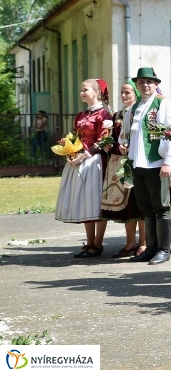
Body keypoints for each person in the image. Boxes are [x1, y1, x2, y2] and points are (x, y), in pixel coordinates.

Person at [122, 68, 171, 265]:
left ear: (156, 84)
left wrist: (167, 162)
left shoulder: (163, 103)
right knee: (146, 208)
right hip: (138, 164)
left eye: (149, 81)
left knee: (161, 207)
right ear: (137, 85)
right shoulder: (134, 108)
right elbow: (125, 133)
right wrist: (124, 144)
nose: (145, 85)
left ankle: (164, 250)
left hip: (157, 164)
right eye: (141, 82)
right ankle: (150, 248)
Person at [56, 79, 113, 258]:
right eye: (80, 90)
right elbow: (75, 138)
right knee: (85, 201)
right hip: (79, 160)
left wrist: (83, 155)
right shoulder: (80, 115)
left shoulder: (104, 115)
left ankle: (98, 243)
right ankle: (89, 242)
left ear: (96, 92)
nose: (81, 93)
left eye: (85, 90)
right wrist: (70, 150)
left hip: (95, 161)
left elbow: (104, 141)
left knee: (96, 200)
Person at [100, 80, 145, 258]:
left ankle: (143, 243)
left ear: (135, 94)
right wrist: (108, 145)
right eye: (122, 92)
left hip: (136, 163)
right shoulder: (116, 115)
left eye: (128, 92)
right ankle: (130, 243)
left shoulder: (140, 112)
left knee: (139, 205)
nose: (124, 96)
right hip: (118, 164)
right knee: (127, 208)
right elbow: (112, 138)